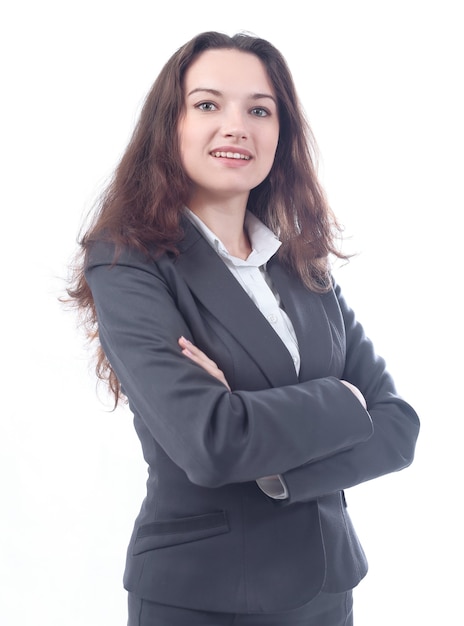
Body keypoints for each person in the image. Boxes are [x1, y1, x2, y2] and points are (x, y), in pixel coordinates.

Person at [66, 31, 420, 625]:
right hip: (204, 596)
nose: (236, 127)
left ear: (280, 136)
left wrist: (267, 450)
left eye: (259, 110)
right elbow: (211, 443)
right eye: (208, 105)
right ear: (169, 125)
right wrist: (346, 401)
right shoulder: (127, 262)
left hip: (328, 590)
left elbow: (399, 427)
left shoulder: (302, 265)